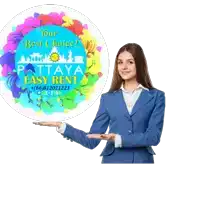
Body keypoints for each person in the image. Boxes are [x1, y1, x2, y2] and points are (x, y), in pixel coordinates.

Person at [36, 42, 166, 164]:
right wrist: (62, 126)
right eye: (120, 62)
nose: (124, 67)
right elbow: (91, 141)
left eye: (130, 62)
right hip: (112, 162)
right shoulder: (108, 98)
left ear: (140, 64)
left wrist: (119, 139)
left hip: (142, 161)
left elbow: (153, 137)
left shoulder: (156, 97)